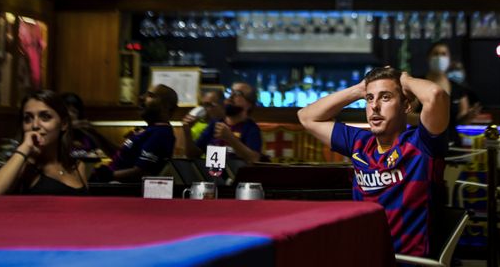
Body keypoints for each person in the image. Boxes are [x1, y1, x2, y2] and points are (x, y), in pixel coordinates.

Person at [297, 66, 450, 256]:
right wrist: (359, 90)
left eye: (385, 97)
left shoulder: (421, 143)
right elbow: (306, 117)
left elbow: (436, 95)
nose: (375, 106)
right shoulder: (359, 143)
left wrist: (404, 79)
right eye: (370, 99)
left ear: (406, 105)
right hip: (361, 256)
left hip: (407, 262)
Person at [0, 90, 88, 196]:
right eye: (28, 119)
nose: (35, 125)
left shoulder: (78, 166)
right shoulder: (24, 167)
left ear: (63, 124)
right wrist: (24, 148)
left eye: (45, 117)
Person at [93, 84, 177, 182]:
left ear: (166, 107)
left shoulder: (161, 133)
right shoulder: (151, 129)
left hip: (119, 190)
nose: (141, 98)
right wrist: (93, 133)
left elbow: (142, 172)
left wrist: (109, 175)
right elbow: (120, 154)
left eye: (150, 96)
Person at [184, 82, 263, 166]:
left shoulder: (251, 128)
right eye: (230, 92)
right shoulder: (215, 123)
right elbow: (192, 155)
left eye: (237, 93)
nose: (231, 96)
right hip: (212, 175)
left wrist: (230, 138)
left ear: (249, 105)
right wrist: (187, 131)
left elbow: (254, 159)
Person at [424, 41, 479, 145]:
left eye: (443, 54)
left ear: (449, 59)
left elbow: (460, 119)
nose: (439, 57)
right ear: (428, 58)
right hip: (424, 146)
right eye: (435, 54)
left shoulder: (458, 88)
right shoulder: (417, 84)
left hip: (452, 144)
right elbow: (406, 115)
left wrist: (469, 116)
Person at [62, 92, 117, 158]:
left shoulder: (85, 132)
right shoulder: (55, 134)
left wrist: (92, 132)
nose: (70, 114)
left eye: (74, 111)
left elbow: (114, 152)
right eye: (66, 110)